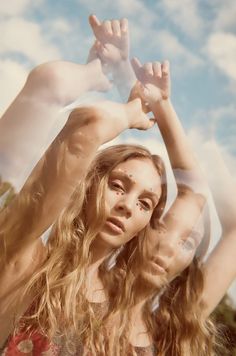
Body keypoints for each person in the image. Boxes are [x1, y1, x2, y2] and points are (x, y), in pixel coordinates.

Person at [0, 18, 168, 355]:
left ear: (145, 225)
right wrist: (133, 104)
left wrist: (159, 105)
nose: (127, 205)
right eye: (119, 186)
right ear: (88, 185)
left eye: (145, 203)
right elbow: (87, 125)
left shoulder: (127, 318)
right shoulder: (28, 260)